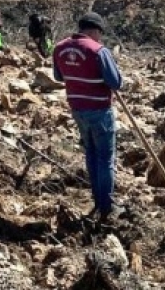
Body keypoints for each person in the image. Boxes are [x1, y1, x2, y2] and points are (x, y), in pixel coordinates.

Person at [53, 12, 124, 220]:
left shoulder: (59, 48)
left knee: (91, 154)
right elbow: (116, 82)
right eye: (99, 33)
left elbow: (58, 76)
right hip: (100, 110)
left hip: (77, 109)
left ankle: (97, 199)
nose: (100, 38)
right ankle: (107, 207)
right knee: (105, 158)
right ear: (94, 30)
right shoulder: (98, 51)